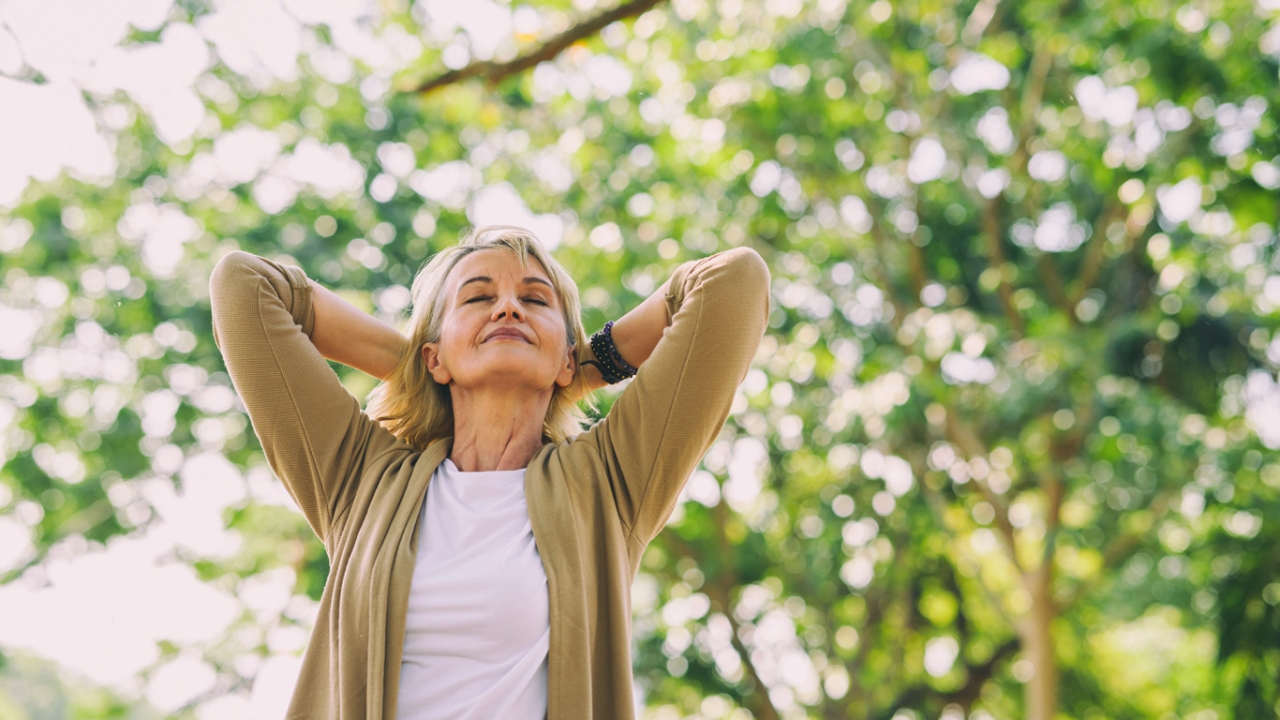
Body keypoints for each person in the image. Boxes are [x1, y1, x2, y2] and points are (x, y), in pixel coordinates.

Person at [209, 224, 770, 719]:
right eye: (478, 298)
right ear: (433, 356)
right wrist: (420, 366)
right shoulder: (361, 478)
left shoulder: (608, 481)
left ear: (567, 357)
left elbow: (733, 283)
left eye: (535, 300)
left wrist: (581, 367)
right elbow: (245, 286)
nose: (508, 309)